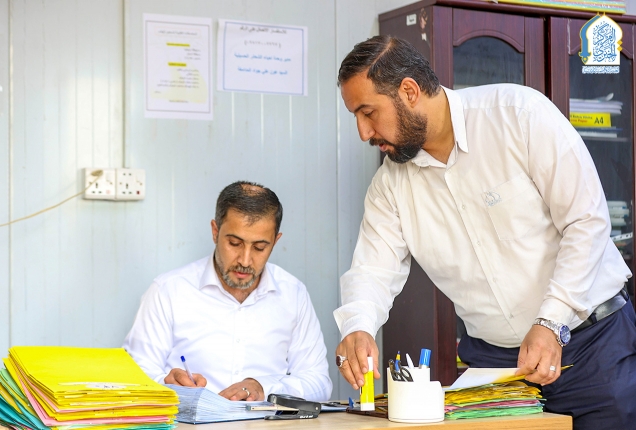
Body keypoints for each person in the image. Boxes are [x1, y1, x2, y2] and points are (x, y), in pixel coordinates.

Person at [333, 35, 635, 429]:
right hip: (497, 370)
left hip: (592, 348)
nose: (363, 132)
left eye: (368, 112)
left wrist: (551, 321)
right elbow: (372, 271)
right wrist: (357, 326)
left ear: (409, 91)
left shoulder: (518, 116)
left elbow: (586, 222)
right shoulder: (389, 187)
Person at [124, 181, 332, 402]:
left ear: (275, 241)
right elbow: (132, 378)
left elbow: (319, 384)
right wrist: (165, 383)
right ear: (215, 232)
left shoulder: (293, 294)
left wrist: (264, 387)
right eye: (234, 243)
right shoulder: (168, 291)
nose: (245, 260)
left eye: (260, 248)